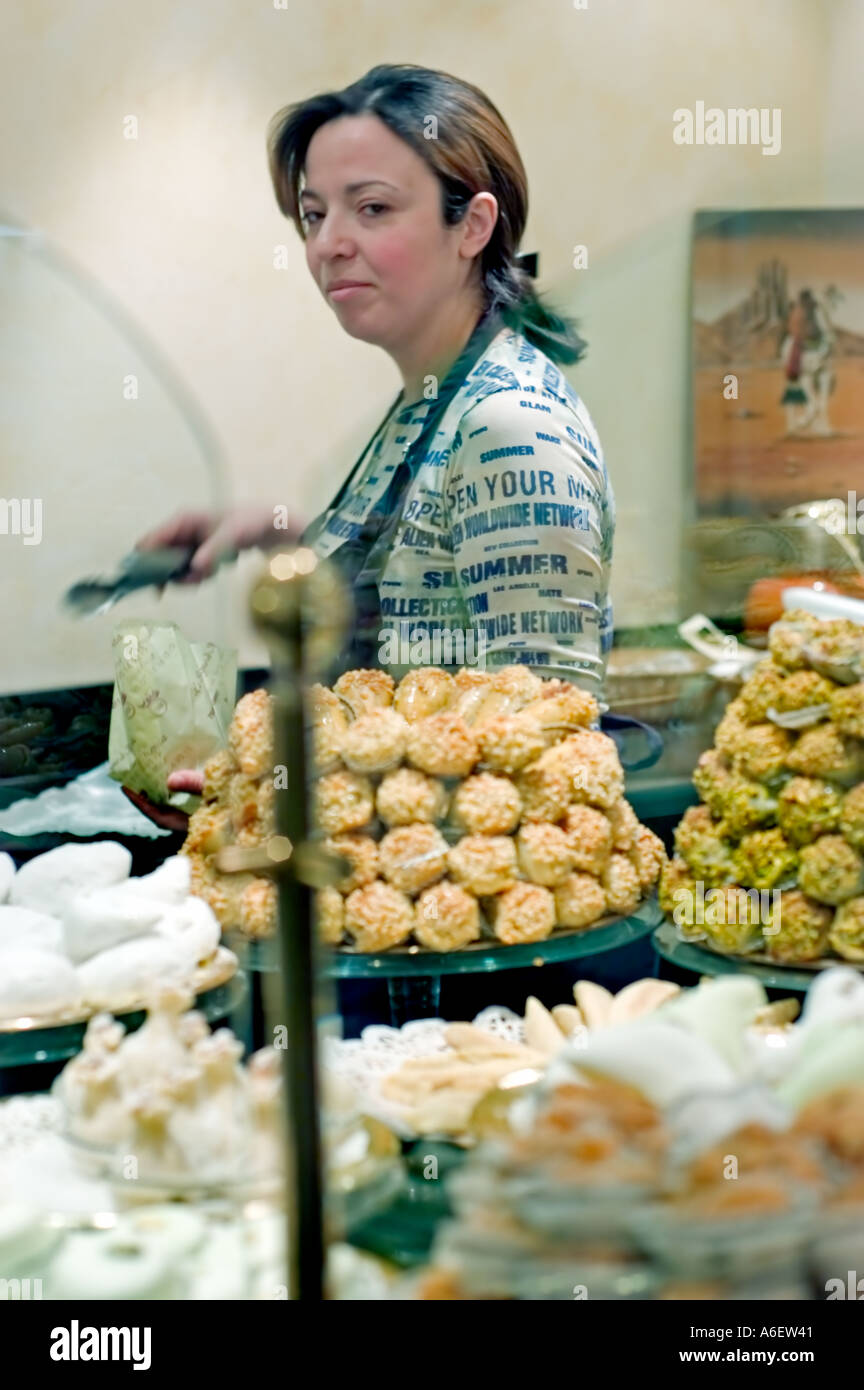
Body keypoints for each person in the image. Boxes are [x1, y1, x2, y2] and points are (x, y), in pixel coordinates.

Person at [137, 64, 616, 805]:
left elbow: (544, 760)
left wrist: (277, 804)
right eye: (313, 214)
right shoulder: (430, 397)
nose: (329, 244)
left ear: (474, 226)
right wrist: (273, 531)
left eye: (372, 208)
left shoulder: (508, 423)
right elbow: (419, 566)